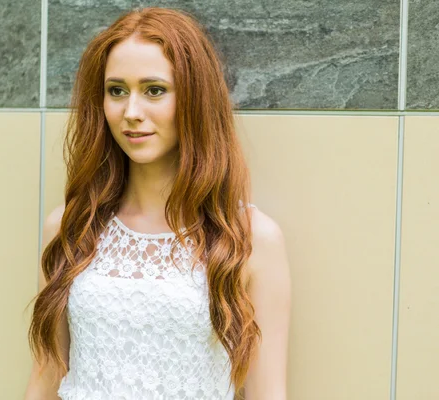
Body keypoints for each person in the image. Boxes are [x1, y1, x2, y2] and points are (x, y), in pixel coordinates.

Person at [24, 7, 291, 400]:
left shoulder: (253, 240)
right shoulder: (69, 228)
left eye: (154, 90)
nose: (131, 112)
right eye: (116, 90)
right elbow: (46, 376)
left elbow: (267, 394)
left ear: (195, 99)